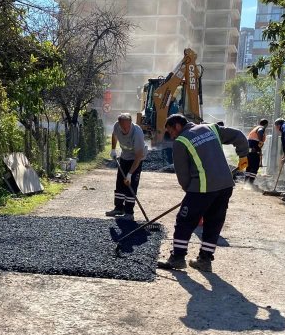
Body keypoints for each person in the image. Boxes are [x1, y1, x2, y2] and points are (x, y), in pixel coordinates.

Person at [157, 114, 248, 272]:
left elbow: (183, 175)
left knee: (184, 221)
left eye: (171, 131)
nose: (171, 136)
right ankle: (205, 260)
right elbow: (238, 135)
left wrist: (190, 192)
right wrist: (243, 155)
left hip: (202, 188)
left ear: (177, 126)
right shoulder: (211, 128)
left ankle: (177, 258)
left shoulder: (181, 141)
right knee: (214, 222)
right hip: (225, 185)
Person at [106, 113, 146, 221]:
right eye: (123, 127)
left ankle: (129, 213)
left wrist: (130, 174)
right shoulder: (116, 126)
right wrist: (113, 149)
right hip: (124, 157)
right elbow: (114, 135)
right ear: (119, 124)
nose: (125, 129)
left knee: (131, 185)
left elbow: (138, 156)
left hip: (136, 159)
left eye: (127, 127)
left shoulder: (137, 133)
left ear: (131, 123)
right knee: (120, 183)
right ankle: (118, 208)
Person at [244, 118, 269, 183]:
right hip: (254, 149)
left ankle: (246, 182)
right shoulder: (261, 128)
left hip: (249, 150)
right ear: (266, 124)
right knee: (255, 166)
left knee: (249, 166)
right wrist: (261, 141)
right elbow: (260, 132)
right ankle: (250, 183)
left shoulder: (255, 128)